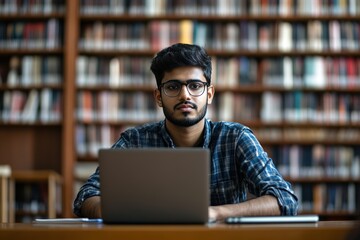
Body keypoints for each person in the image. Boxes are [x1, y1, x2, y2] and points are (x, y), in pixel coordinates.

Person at [73, 43, 298, 221]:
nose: (185, 95)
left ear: (209, 94)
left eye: (195, 85)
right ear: (158, 97)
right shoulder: (135, 140)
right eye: (173, 86)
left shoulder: (235, 138)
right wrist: (115, 211)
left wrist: (216, 213)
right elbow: (86, 195)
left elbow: (284, 199)